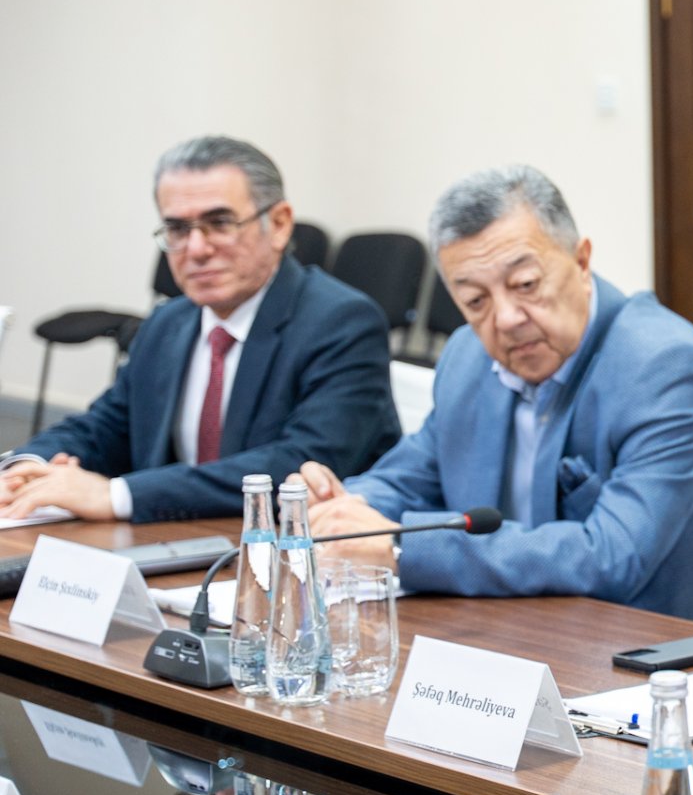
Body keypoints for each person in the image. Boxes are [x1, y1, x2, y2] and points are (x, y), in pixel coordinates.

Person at [297, 165, 693, 632]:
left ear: (581, 261)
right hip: (544, 633)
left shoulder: (665, 368)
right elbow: (411, 475)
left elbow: (611, 555)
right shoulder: (468, 358)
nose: (507, 319)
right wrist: (341, 512)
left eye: (525, 284)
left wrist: (399, 545)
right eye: (475, 301)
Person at [0, 136, 400, 522]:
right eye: (177, 229)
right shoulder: (168, 322)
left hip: (297, 559)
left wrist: (117, 495)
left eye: (219, 222)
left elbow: (300, 465)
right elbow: (107, 426)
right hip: (174, 549)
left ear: (279, 224)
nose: (196, 249)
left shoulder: (342, 322)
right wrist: (26, 468)